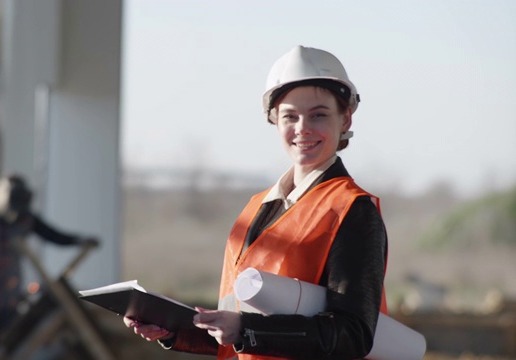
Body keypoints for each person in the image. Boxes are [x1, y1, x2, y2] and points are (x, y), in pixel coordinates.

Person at [124, 45, 389, 359]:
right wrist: (174, 329)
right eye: (290, 116)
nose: (302, 128)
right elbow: (234, 330)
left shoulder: (353, 210)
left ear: (345, 119)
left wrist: (246, 330)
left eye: (318, 115)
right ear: (275, 121)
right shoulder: (256, 208)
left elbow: (353, 335)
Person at [0, 174, 100, 360]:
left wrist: (77, 241)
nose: (13, 218)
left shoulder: (24, 216)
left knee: (7, 351)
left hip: (8, 302)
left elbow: (51, 234)